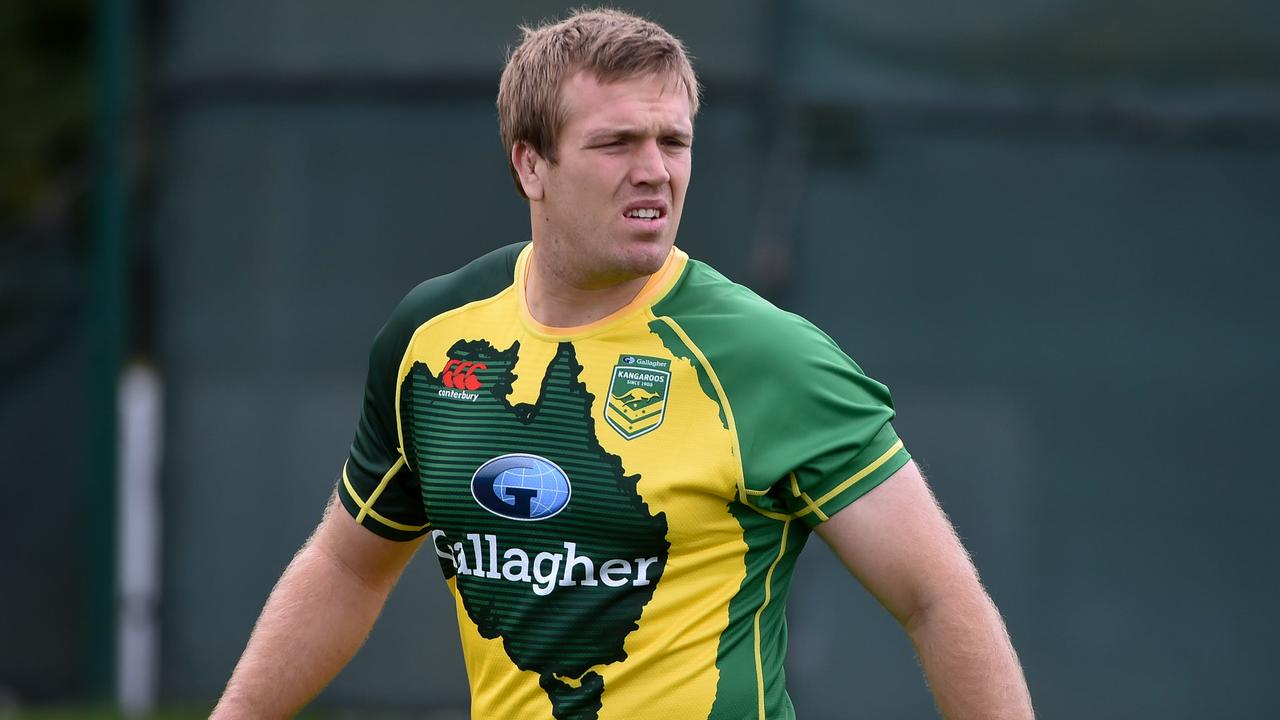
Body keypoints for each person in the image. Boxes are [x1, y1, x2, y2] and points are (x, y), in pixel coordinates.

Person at [212, 8, 1034, 720]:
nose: (656, 170)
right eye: (616, 143)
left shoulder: (768, 360)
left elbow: (939, 596)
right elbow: (347, 566)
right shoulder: (433, 337)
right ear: (530, 163)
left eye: (673, 141)